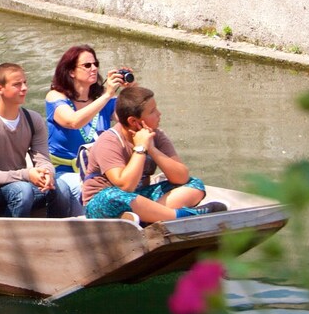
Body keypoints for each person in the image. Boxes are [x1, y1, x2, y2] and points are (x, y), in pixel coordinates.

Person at [83, 86, 227, 222]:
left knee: (195, 184)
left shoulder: (156, 135)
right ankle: (180, 216)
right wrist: (140, 148)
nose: (159, 114)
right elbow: (125, 186)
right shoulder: (109, 141)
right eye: (152, 111)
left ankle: (148, 217)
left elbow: (181, 177)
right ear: (133, 121)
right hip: (104, 204)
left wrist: (151, 148)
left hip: (139, 198)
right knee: (112, 197)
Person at [0, 63, 79, 218]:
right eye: (17, 84)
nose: (24, 88)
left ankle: (58, 234)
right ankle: (11, 238)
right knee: (23, 191)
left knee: (60, 186)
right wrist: (27, 174)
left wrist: (47, 174)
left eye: (25, 83)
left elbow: (43, 159)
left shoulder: (33, 119)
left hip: (23, 183)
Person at [45, 45, 130, 210]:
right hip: (65, 172)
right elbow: (73, 121)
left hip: (99, 172)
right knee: (91, 190)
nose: (94, 68)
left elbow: (131, 121)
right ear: (71, 72)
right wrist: (107, 95)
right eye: (87, 65)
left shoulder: (103, 100)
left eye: (95, 64)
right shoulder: (55, 97)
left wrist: (131, 92)